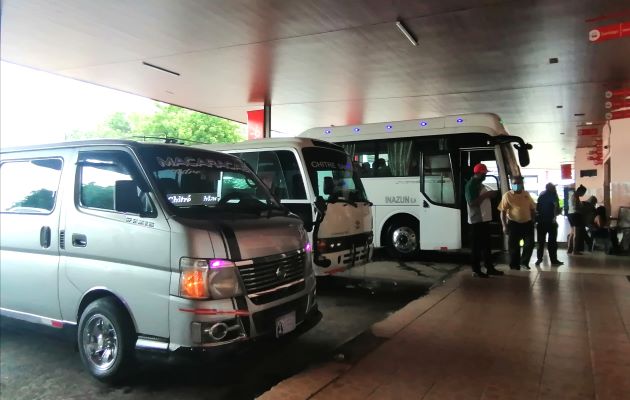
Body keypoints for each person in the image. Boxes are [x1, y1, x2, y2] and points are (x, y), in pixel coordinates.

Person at [465, 163, 503, 278]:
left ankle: (489, 268)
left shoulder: (479, 184)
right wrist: (487, 195)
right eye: (484, 173)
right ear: (478, 173)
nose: (485, 174)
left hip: (484, 220)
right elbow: (472, 203)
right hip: (477, 221)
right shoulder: (471, 185)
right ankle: (476, 270)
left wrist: (490, 195)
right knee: (476, 247)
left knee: (486, 246)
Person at [498, 176, 536, 270]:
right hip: (513, 224)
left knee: (530, 244)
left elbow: (532, 208)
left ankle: (524, 262)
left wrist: (533, 221)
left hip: (527, 223)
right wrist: (504, 226)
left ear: (522, 184)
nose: (517, 185)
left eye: (518, 183)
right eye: (514, 183)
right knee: (514, 246)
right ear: (512, 184)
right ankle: (515, 265)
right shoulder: (507, 195)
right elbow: (502, 211)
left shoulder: (526, 194)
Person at [535, 183, 564, 266]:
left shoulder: (541, 195)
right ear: (552, 188)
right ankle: (554, 260)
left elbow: (538, 208)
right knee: (552, 243)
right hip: (551, 223)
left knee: (540, 242)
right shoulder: (553, 195)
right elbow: (556, 208)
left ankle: (539, 259)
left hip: (540, 222)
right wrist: (556, 216)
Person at [567, 185, 587, 255]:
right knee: (576, 234)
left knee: (572, 233)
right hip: (576, 215)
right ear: (580, 191)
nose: (583, 194)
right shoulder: (576, 196)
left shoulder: (571, 194)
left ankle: (569, 249)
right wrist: (582, 208)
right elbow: (576, 207)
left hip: (570, 214)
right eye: (583, 193)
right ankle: (575, 250)